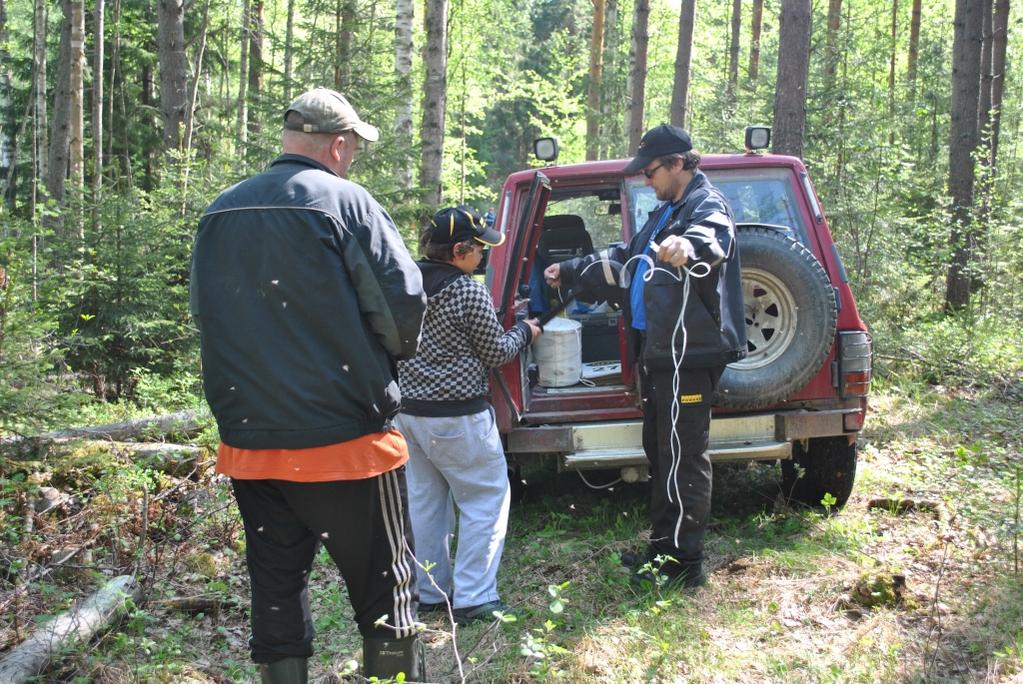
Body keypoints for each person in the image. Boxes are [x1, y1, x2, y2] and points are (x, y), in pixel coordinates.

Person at [190, 88, 428, 683]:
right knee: (388, 591)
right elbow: (404, 306)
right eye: (353, 150)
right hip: (347, 445)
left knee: (274, 590)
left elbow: (205, 315)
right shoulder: (347, 203)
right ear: (339, 144)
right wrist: (381, 368)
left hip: (251, 448)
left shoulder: (219, 211)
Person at [543, 124, 746, 589]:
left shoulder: (703, 205)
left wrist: (689, 244)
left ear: (677, 164)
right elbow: (625, 258)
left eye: (651, 171)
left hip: (687, 355)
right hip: (659, 355)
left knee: (683, 456)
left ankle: (684, 566)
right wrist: (572, 269)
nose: (646, 180)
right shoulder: (666, 212)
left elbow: (715, 235)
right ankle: (663, 551)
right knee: (661, 452)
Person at [395, 206, 541, 625]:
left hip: (408, 415)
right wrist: (525, 332)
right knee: (484, 499)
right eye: (479, 248)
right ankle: (475, 597)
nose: (483, 256)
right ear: (459, 251)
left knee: (426, 503)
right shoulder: (467, 291)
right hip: (457, 418)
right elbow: (496, 352)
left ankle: (430, 592)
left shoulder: (404, 284)